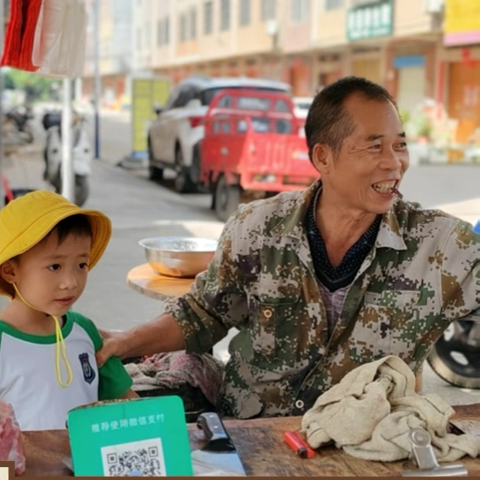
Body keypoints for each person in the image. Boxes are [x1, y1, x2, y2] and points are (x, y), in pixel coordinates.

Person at [97, 76, 480, 420]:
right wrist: (125, 341)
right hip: (251, 438)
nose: (394, 163)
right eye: (374, 147)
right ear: (322, 157)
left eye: (400, 146)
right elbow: (200, 315)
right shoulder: (257, 227)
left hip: (364, 449)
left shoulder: (442, 246)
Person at [0, 190, 136, 431]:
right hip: (21, 469)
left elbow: (127, 401)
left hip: (87, 466)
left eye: (81, 265)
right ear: (11, 271)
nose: (71, 282)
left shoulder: (85, 331)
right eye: (55, 266)